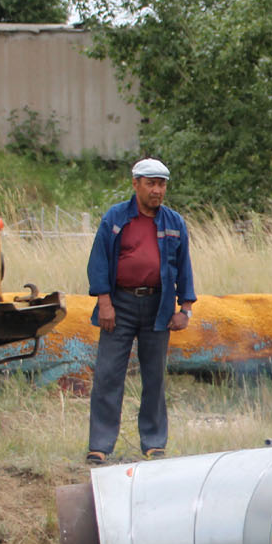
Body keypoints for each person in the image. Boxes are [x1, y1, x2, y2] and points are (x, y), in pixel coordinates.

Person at [85, 158, 197, 466]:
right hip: (119, 305)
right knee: (108, 374)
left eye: (161, 184)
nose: (157, 190)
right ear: (135, 184)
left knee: (154, 376)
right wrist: (104, 303)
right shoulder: (116, 218)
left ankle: (153, 443)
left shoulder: (174, 223)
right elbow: (99, 262)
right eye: (151, 184)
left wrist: (184, 309)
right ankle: (100, 445)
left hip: (159, 306)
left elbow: (184, 266)